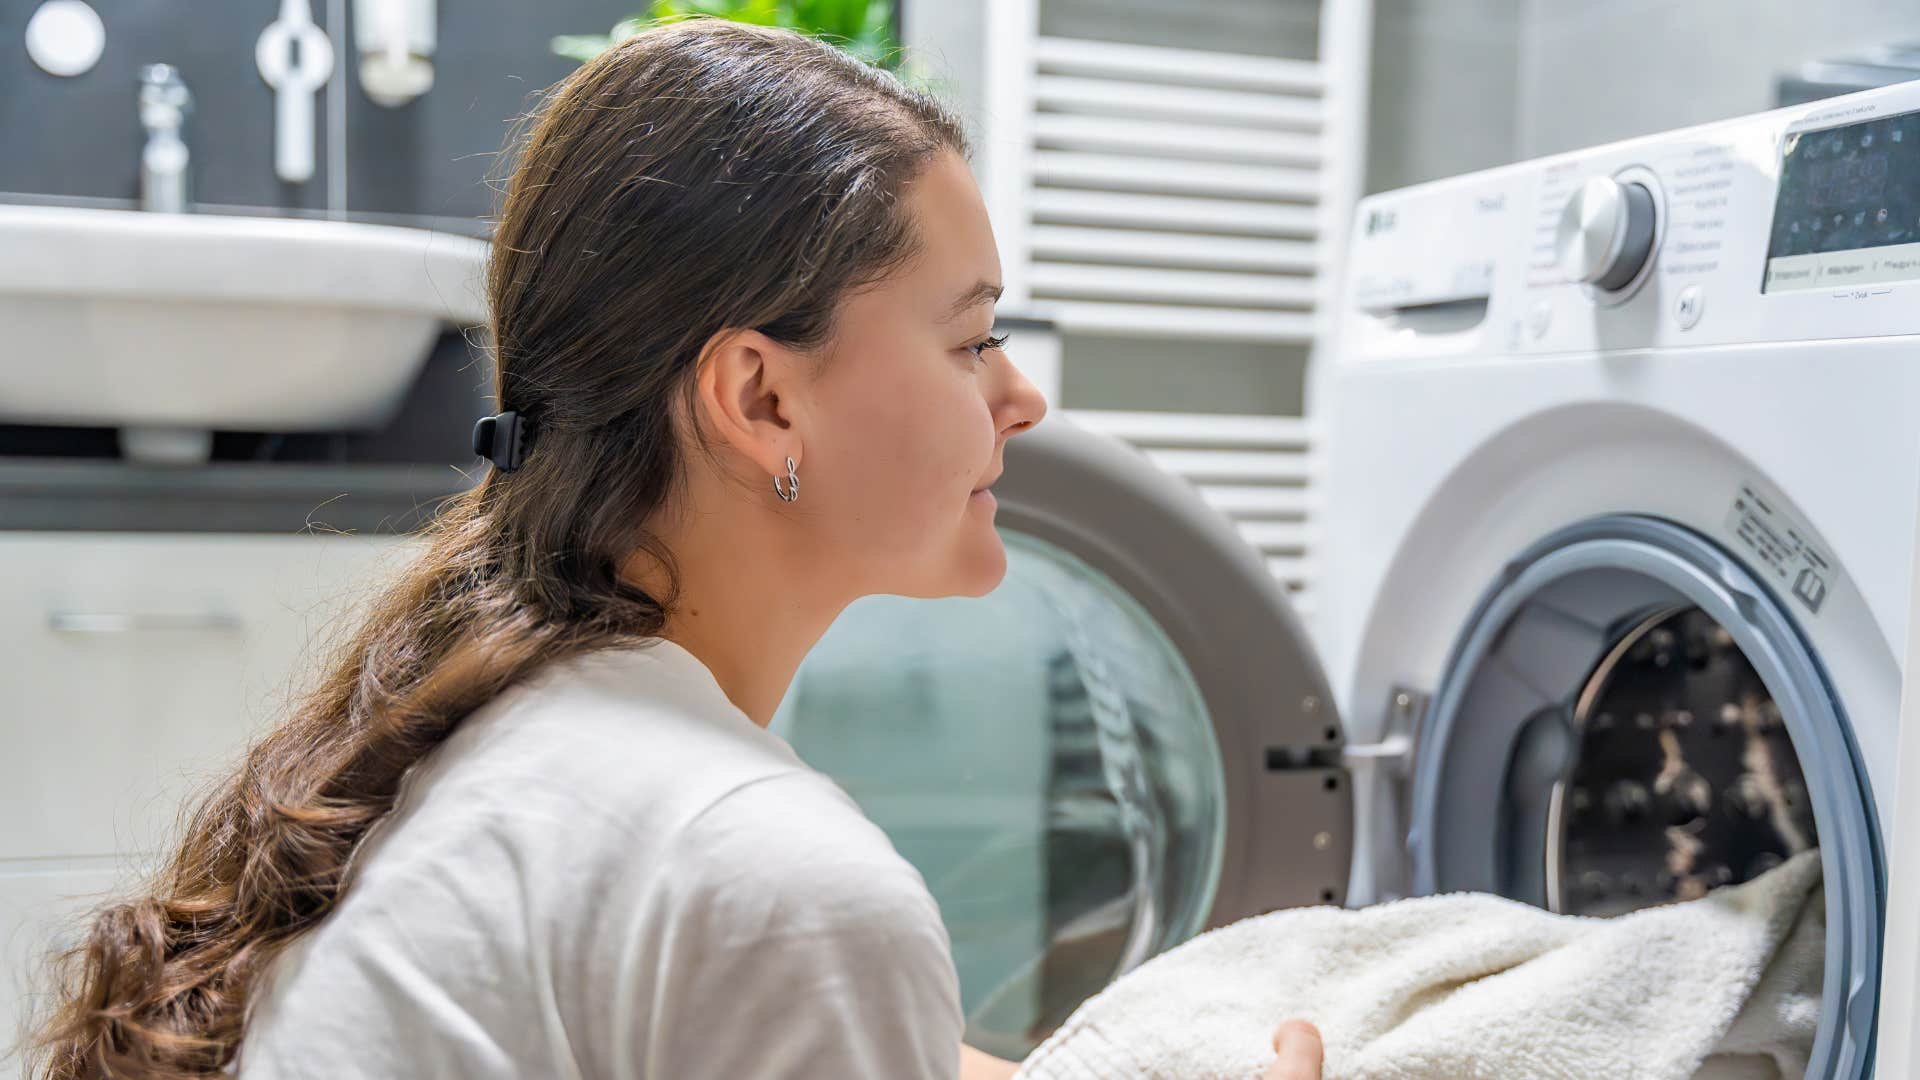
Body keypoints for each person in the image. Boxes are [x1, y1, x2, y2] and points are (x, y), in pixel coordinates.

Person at [29, 18, 1322, 1080]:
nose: (1018, 397)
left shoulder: (527, 733)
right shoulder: (777, 876)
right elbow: (797, 962)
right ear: (760, 400)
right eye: (969, 340)